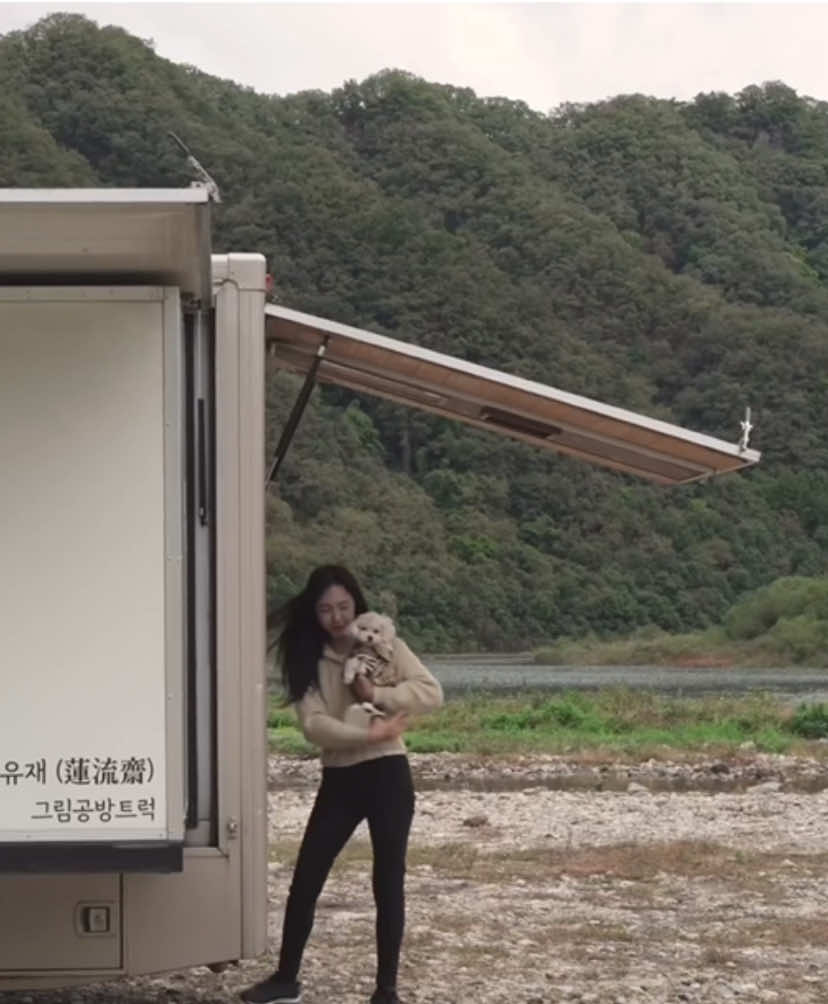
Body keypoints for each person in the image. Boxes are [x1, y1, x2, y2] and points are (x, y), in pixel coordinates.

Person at [241, 565, 444, 1004]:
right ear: (314, 613)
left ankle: (385, 990)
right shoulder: (307, 661)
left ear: (357, 605)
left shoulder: (389, 649)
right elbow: (314, 726)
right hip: (340, 777)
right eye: (326, 609)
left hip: (388, 773)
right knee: (307, 875)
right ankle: (285, 979)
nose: (336, 617)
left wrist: (379, 697)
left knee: (388, 879)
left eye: (344, 607)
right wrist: (363, 734)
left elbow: (431, 692)